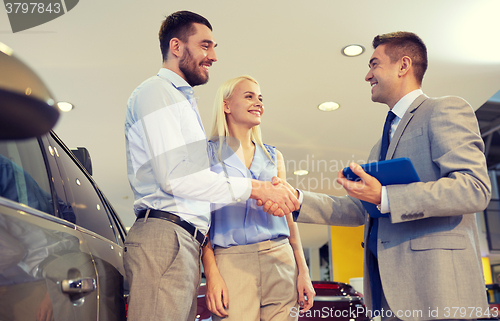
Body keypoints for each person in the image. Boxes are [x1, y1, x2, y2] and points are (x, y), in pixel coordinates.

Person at [264, 32, 491, 320]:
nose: (367, 75)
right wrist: (297, 200)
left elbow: (474, 188)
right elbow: (360, 209)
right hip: (389, 295)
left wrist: (385, 196)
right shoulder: (377, 146)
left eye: (374, 64)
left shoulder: (444, 109)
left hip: (439, 290)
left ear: (403, 65)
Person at [124, 11, 299, 321]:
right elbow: (174, 178)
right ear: (176, 47)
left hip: (183, 239)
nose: (213, 56)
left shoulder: (182, 102)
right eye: (205, 46)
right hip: (166, 235)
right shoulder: (157, 93)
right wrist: (255, 187)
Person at [201, 76, 315, 320]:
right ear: (226, 105)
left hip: (279, 257)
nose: (258, 103)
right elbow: (201, 221)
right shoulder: (206, 155)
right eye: (249, 96)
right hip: (231, 262)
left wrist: (303, 270)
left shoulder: (274, 156)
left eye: (260, 98)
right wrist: (211, 274)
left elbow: (289, 218)